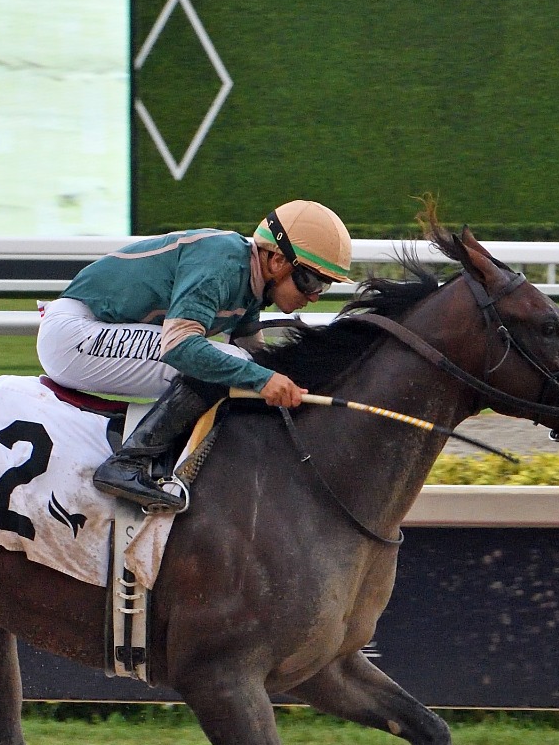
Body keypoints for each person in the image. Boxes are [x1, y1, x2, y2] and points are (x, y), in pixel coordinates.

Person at [37, 199, 354, 512]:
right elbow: (180, 346)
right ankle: (126, 463)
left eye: (323, 286)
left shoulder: (251, 286)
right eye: (311, 280)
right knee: (229, 364)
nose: (314, 296)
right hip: (74, 334)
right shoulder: (223, 264)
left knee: (240, 365)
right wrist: (263, 379)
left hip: (93, 332)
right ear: (276, 262)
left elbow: (255, 357)